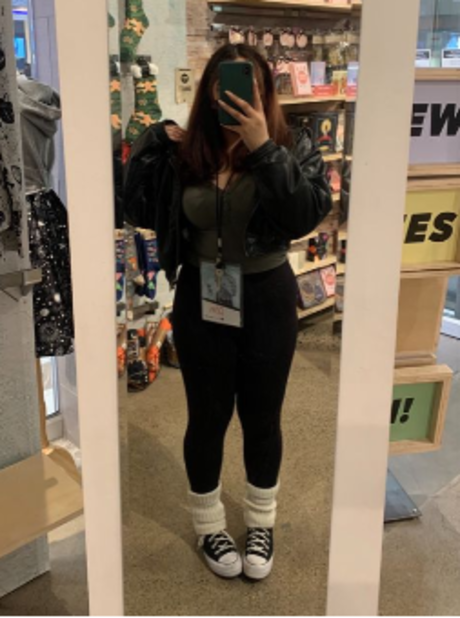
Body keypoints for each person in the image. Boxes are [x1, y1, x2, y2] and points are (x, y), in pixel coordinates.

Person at [124, 43, 332, 581]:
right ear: (209, 91)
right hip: (201, 296)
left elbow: (304, 215)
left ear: (265, 92)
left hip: (267, 295)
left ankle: (261, 521)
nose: (238, 94)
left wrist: (263, 149)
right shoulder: (188, 152)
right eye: (225, 84)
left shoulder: (291, 145)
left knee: (262, 417)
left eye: (250, 84)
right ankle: (208, 524)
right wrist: (154, 140)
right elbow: (134, 204)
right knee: (207, 417)